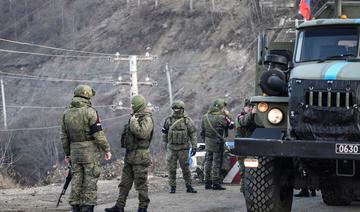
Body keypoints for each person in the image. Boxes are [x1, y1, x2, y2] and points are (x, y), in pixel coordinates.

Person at [61, 84, 112, 212]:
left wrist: (67, 153)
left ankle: (75, 206)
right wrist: (106, 149)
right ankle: (88, 207)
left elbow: (64, 136)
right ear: (88, 96)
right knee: (90, 179)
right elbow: (98, 134)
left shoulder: (66, 113)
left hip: (75, 152)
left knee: (76, 179)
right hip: (90, 152)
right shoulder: (91, 112)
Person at [105, 95, 154, 212]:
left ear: (138, 105)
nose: (131, 107)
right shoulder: (136, 117)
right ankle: (119, 206)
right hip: (130, 155)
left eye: (133, 105)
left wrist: (133, 122)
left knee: (141, 184)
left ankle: (143, 207)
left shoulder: (147, 118)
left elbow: (142, 133)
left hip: (140, 156)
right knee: (124, 183)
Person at [161, 100, 197, 194]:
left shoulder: (187, 120)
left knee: (185, 168)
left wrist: (194, 146)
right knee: (171, 169)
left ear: (182, 109)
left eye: (178, 108)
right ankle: (172, 187)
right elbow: (164, 133)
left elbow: (193, 134)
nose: (176, 110)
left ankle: (189, 186)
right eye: (175, 108)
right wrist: (165, 145)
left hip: (183, 149)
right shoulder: (168, 120)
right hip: (172, 148)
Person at [201, 98, 234, 190]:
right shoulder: (221, 118)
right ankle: (215, 183)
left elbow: (202, 132)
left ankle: (207, 182)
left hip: (208, 142)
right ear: (221, 107)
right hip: (217, 142)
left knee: (208, 161)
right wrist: (228, 116)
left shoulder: (205, 117)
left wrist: (206, 141)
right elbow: (231, 125)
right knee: (217, 162)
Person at [235, 98, 256, 193]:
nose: (250, 108)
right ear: (244, 107)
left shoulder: (252, 117)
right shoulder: (240, 116)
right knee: (244, 171)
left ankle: (249, 189)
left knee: (252, 170)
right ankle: (244, 189)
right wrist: (252, 113)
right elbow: (244, 122)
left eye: (252, 107)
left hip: (251, 147)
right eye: (248, 107)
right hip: (242, 148)